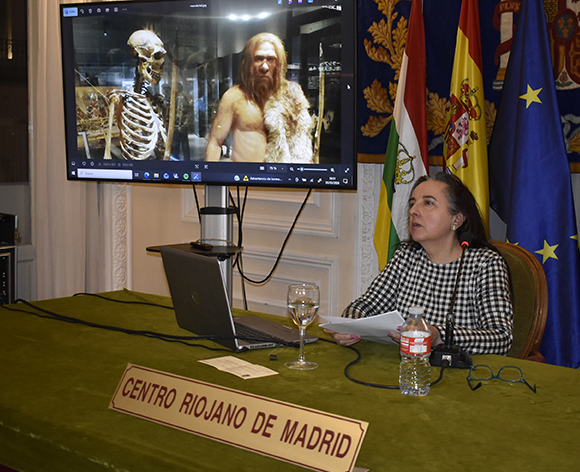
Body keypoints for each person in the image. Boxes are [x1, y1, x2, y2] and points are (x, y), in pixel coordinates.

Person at [326, 172, 514, 355]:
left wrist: (439, 336)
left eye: (428, 203)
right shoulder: (406, 256)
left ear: (456, 219)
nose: (413, 211)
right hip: (406, 366)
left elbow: (501, 338)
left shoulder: (485, 264)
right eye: (412, 203)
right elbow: (367, 305)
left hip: (457, 371)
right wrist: (349, 325)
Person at [205, 32, 314, 163]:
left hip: (280, 175)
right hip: (244, 175)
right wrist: (209, 175)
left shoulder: (291, 95)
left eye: (270, 59)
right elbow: (215, 142)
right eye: (258, 59)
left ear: (279, 63)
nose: (265, 67)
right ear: (247, 63)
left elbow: (302, 143)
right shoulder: (233, 97)